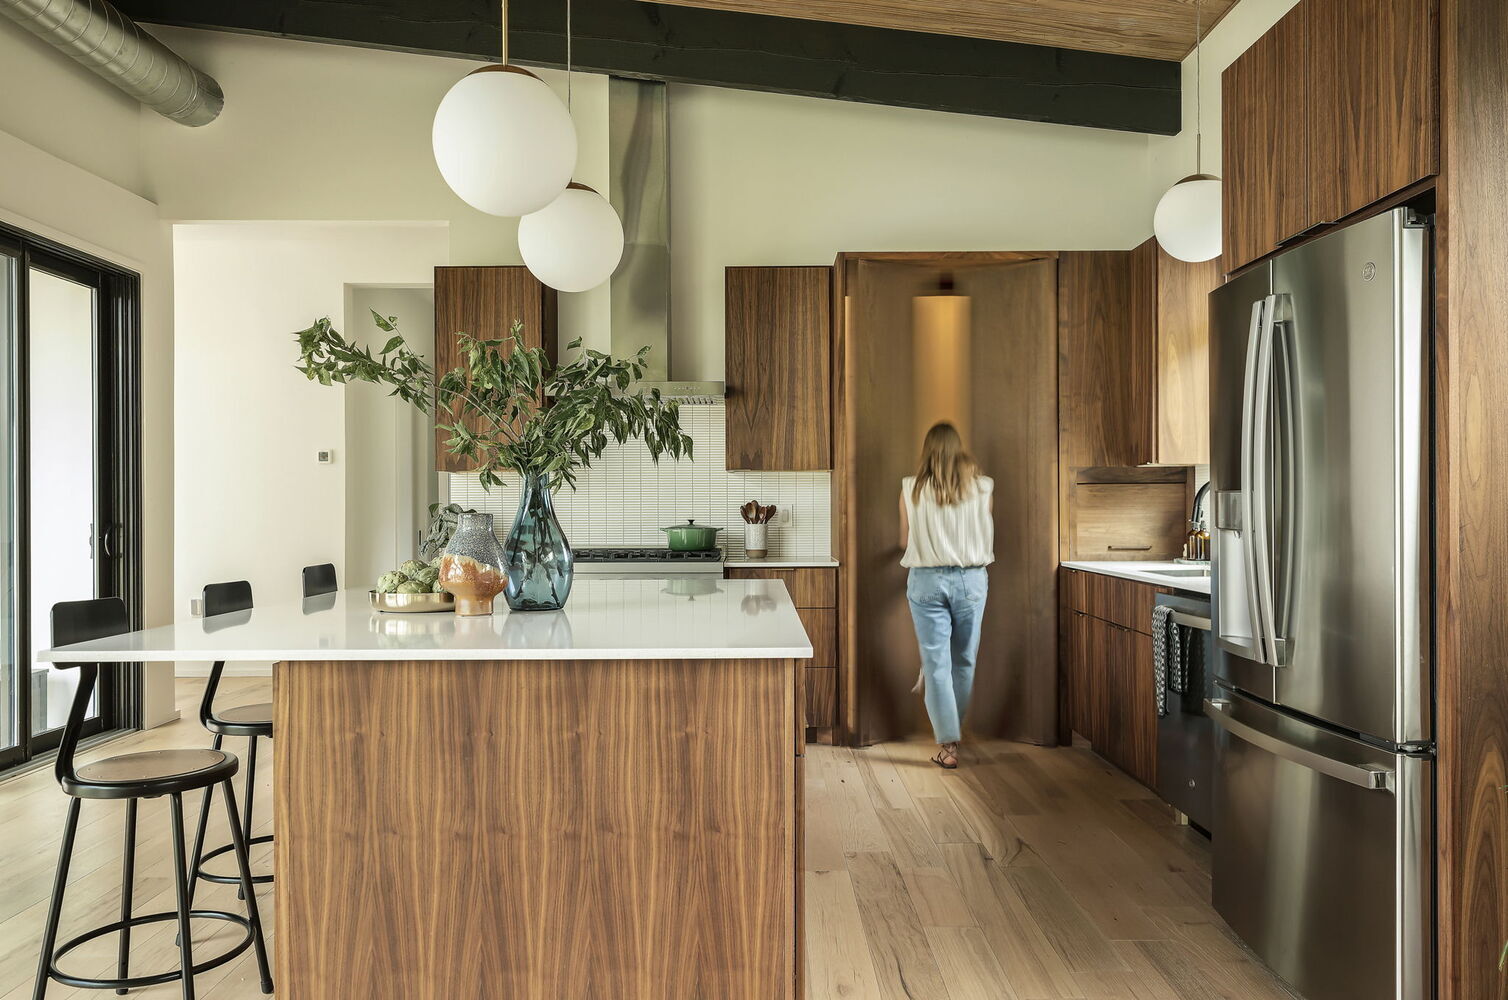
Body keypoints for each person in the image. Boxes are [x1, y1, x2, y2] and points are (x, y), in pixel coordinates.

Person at [899, 422, 994, 769]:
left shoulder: (910, 488)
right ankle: (955, 734)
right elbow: (981, 531)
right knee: (964, 660)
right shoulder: (983, 487)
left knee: (936, 664)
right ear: (960, 450)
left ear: (926, 451)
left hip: (925, 581)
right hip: (970, 580)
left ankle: (948, 745)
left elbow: (902, 540)